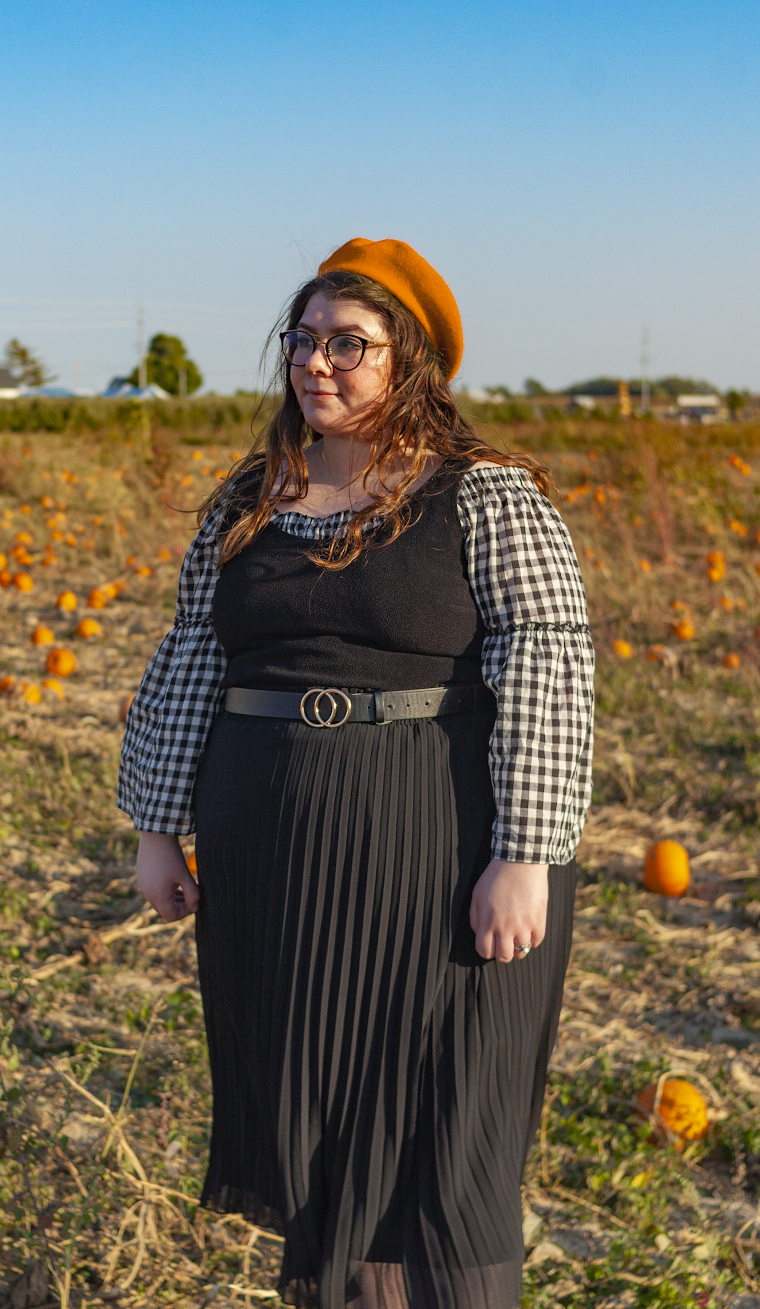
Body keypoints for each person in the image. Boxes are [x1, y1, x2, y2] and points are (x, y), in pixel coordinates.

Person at [117, 239, 595, 1309]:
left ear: (408, 359)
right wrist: (156, 828)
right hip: (274, 852)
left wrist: (525, 853)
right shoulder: (251, 498)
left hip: (432, 846)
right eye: (303, 339)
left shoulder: (485, 497)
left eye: (349, 343)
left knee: (437, 1139)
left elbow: (548, 664)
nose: (316, 363)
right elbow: (191, 653)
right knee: (325, 1124)